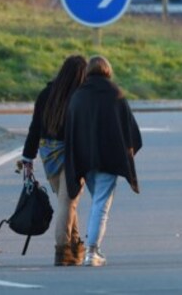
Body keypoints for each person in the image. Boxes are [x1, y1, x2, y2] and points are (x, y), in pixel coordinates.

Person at [64, 56, 142, 267]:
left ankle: (93, 248)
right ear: (108, 70)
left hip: (85, 159)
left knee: (97, 200)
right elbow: (130, 128)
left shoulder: (79, 95)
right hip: (110, 158)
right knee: (101, 204)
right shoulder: (115, 94)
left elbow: (71, 128)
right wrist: (128, 151)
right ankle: (92, 251)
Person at [21, 55, 87, 266]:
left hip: (48, 154)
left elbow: (34, 128)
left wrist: (27, 157)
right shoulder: (80, 97)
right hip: (72, 156)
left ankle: (76, 245)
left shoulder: (46, 93)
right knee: (67, 202)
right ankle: (63, 250)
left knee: (66, 201)